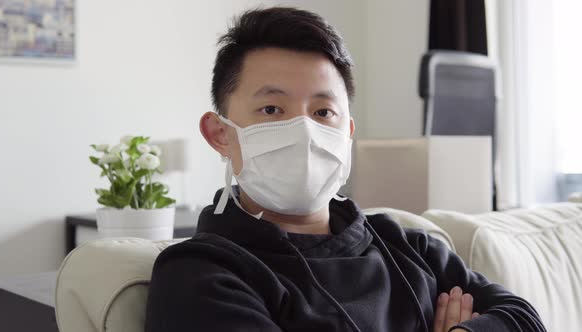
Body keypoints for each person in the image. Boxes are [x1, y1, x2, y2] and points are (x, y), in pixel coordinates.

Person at [144, 7, 545, 332]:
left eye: (323, 112)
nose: (305, 130)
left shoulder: (407, 246)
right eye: (271, 109)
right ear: (220, 135)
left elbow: (524, 318)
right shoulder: (199, 274)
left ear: (347, 133)